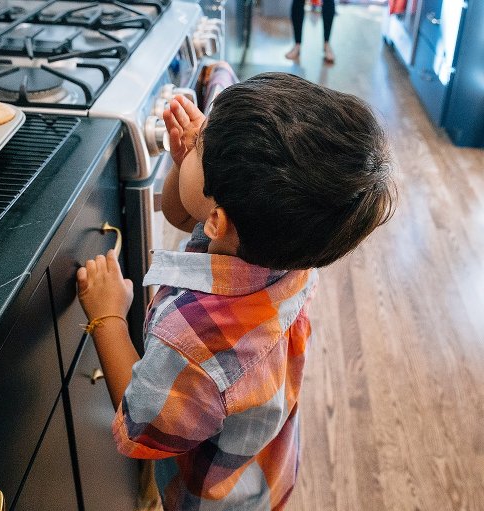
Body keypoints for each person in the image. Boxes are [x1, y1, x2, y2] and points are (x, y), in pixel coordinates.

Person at [76, 72, 395, 510]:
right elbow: (183, 214)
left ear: (219, 221)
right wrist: (185, 160)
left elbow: (142, 424)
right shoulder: (285, 247)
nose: (195, 135)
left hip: (209, 498)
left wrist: (108, 315)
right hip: (259, 465)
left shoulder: (191, 341)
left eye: (201, 146)